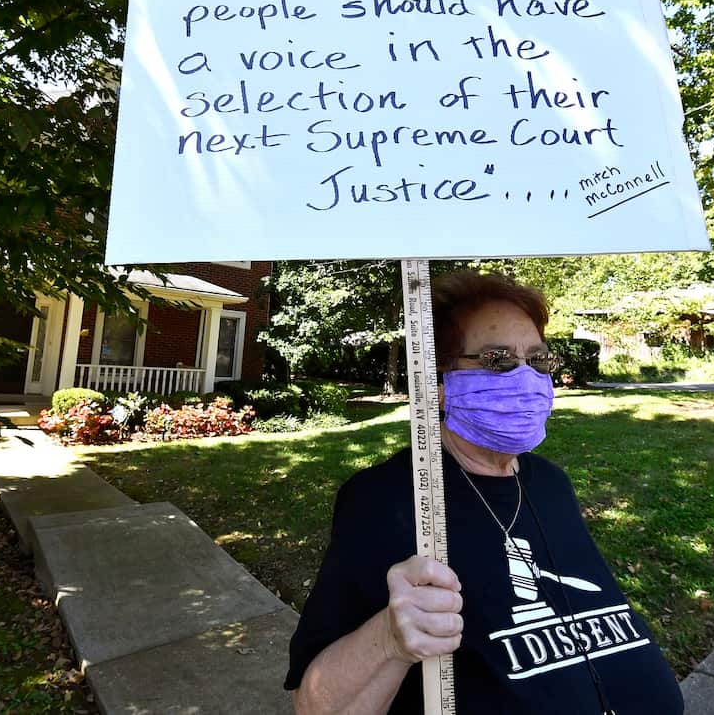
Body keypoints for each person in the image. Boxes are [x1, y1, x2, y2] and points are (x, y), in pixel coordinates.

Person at [285, 270, 682, 713]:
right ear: (436, 384)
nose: (527, 378)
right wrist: (389, 640)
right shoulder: (385, 499)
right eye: (498, 359)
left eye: (538, 359)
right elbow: (316, 705)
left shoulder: (551, 484)